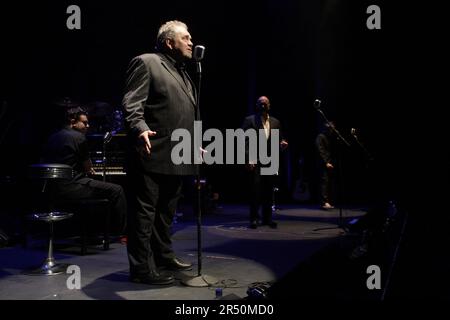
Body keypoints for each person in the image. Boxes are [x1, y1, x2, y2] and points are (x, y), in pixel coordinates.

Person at [122, 20, 198, 285]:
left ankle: (164, 257)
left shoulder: (185, 72)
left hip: (177, 153)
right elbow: (132, 102)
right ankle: (142, 268)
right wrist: (139, 127)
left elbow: (182, 113)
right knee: (145, 213)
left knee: (166, 212)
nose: (191, 42)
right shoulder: (147, 62)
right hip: (152, 150)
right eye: (186, 38)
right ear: (169, 42)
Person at [41, 107, 127, 234]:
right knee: (117, 190)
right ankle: (120, 232)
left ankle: (91, 228)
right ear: (72, 121)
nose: (88, 125)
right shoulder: (79, 137)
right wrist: (89, 169)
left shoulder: (53, 136)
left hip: (51, 187)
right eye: (84, 122)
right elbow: (88, 168)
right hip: (71, 187)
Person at [242, 96, 288, 229]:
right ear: (257, 105)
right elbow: (244, 141)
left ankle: (267, 219)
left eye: (265, 103)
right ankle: (254, 218)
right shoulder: (250, 120)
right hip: (255, 159)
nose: (263, 105)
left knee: (268, 190)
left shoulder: (276, 122)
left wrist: (282, 144)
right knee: (255, 190)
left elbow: (279, 139)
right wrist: (248, 159)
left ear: (269, 105)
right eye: (261, 103)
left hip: (270, 160)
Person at [315, 121, 336, 209]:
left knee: (329, 183)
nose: (332, 131)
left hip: (329, 162)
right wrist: (326, 162)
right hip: (323, 163)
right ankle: (324, 202)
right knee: (324, 182)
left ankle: (329, 201)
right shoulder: (320, 137)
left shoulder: (329, 137)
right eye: (331, 129)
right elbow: (320, 151)